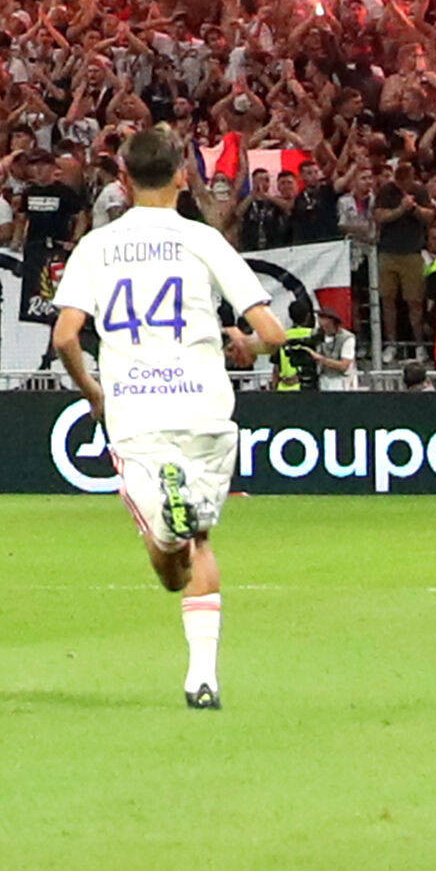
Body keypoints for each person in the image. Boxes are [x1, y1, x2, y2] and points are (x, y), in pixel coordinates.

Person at [47, 127, 294, 711]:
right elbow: (274, 334)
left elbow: (65, 336)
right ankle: (202, 678)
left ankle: (165, 528)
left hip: (137, 411)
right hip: (204, 406)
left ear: (123, 181)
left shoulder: (96, 246)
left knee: (167, 559)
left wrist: (92, 392)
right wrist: (244, 343)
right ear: (184, 176)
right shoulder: (204, 240)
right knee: (200, 541)